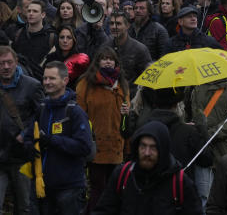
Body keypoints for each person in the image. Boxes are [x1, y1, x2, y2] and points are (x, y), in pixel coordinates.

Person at [22, 61, 93, 213]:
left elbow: (84, 146)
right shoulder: (41, 109)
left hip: (69, 189)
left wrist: (52, 140)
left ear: (65, 80)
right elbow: (28, 136)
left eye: (52, 78)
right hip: (43, 187)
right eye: (45, 78)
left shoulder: (75, 112)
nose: (47, 82)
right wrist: (28, 146)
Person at [0, 46, 43, 215]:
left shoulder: (32, 86)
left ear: (16, 62)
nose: (6, 67)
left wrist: (25, 135)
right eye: (1, 63)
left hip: (22, 156)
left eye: (9, 62)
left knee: (25, 206)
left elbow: (41, 117)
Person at [93, 120, 202, 214]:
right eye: (143, 146)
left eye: (153, 147)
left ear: (162, 150)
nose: (147, 153)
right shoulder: (123, 176)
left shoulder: (180, 183)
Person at [75, 46, 129, 213]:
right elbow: (79, 113)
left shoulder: (122, 84)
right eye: (103, 58)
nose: (107, 61)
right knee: (98, 189)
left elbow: (126, 120)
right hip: (95, 146)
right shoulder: (86, 83)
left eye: (111, 58)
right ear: (97, 61)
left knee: (115, 190)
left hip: (117, 146)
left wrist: (127, 113)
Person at [107, 10, 152, 98]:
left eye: (118, 24)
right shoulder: (105, 47)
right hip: (108, 98)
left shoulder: (140, 49)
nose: (114, 27)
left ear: (127, 26)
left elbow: (148, 79)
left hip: (131, 99)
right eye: (111, 23)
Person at [13, 0, 56, 80]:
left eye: (35, 11)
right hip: (20, 79)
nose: (31, 14)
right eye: (29, 11)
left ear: (43, 15)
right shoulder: (18, 34)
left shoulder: (51, 37)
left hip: (42, 80)